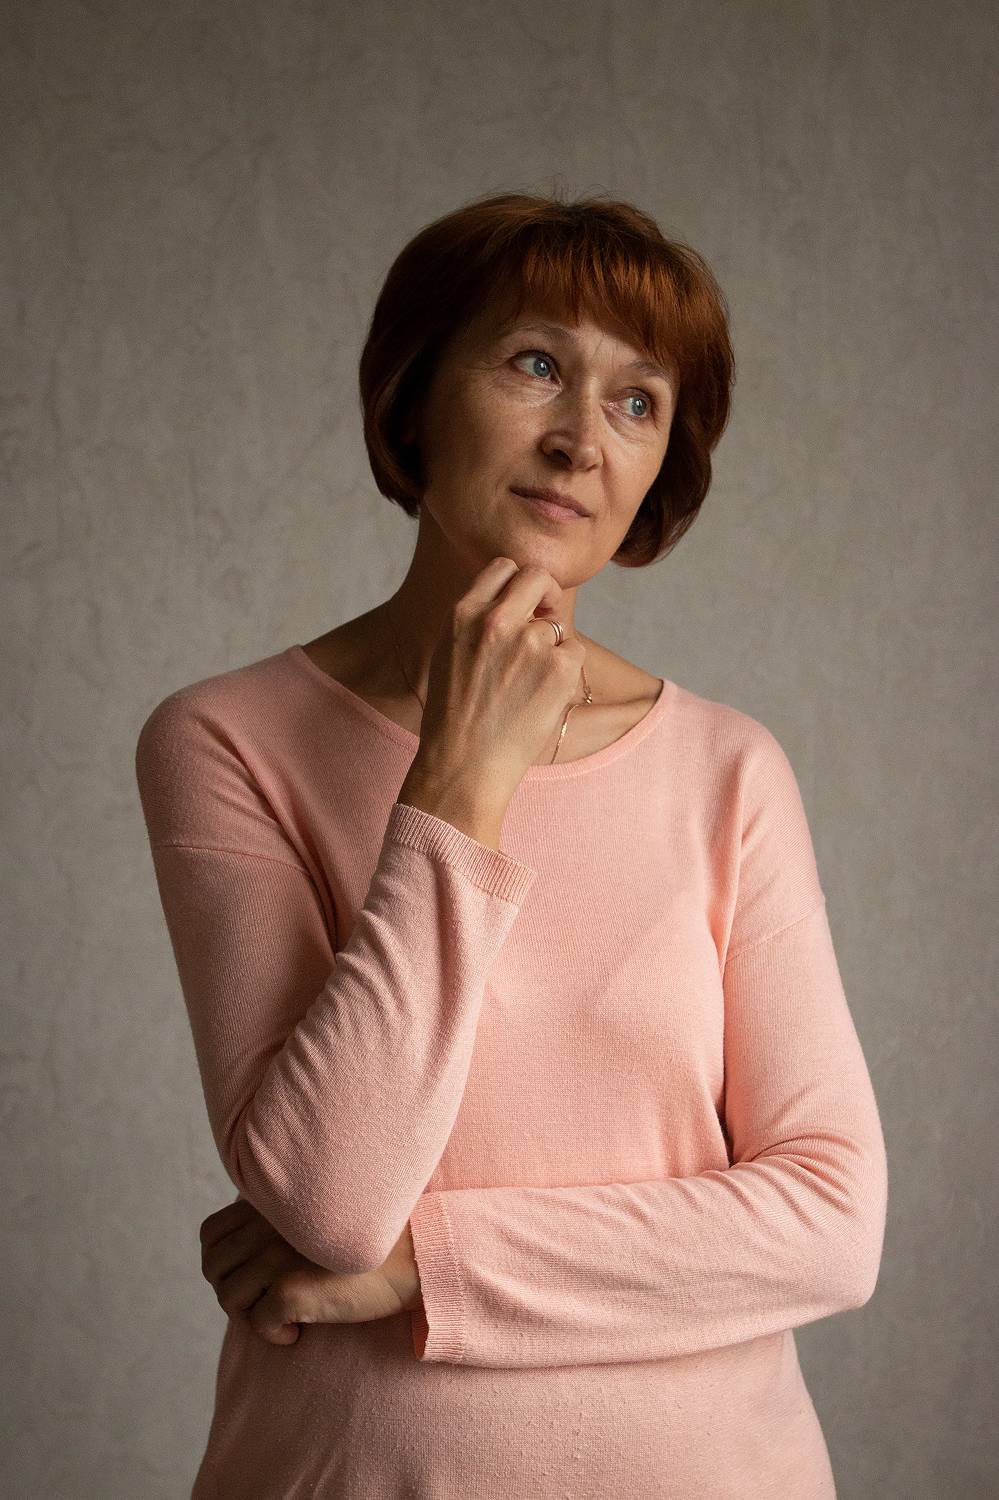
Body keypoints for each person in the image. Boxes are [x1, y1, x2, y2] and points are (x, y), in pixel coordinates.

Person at [134, 191, 888, 1499]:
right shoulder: (229, 740)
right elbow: (329, 1200)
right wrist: (460, 784)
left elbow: (832, 1225)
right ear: (415, 398)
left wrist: (426, 1268)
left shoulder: (728, 771)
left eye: (637, 401)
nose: (580, 440)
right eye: (536, 363)